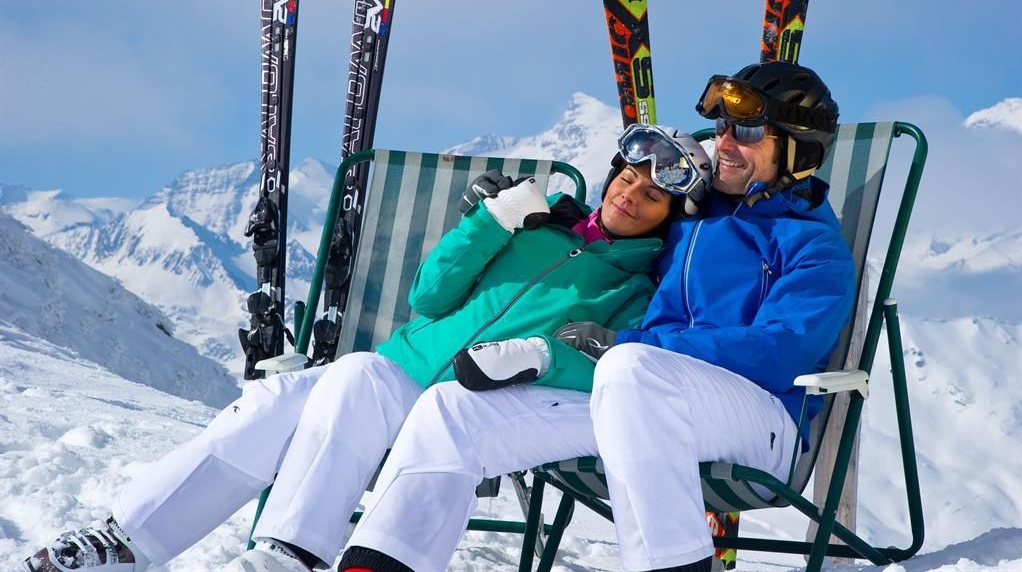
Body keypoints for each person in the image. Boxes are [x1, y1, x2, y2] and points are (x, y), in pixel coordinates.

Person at [23, 127, 713, 572]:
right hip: (402, 371)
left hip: (476, 408)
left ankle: (266, 552)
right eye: (628, 177)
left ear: (671, 216)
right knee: (276, 400)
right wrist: (491, 220)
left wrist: (544, 353)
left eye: (654, 196)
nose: (632, 195)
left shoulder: (638, 286)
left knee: (340, 380)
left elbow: (610, 370)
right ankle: (132, 540)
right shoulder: (533, 227)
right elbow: (430, 295)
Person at [333, 61, 856, 572]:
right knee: (453, 406)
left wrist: (630, 345)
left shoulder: (813, 247)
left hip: (760, 420)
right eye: (722, 127)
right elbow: (612, 229)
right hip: (639, 401)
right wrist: (524, 216)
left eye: (747, 132)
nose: (724, 143)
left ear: (799, 151)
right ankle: (378, 564)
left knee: (630, 369)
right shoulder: (692, 213)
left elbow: (780, 351)